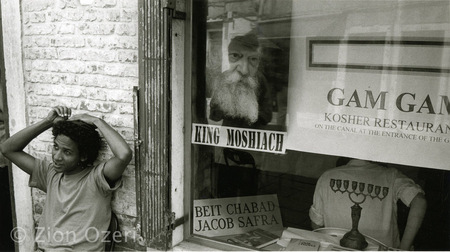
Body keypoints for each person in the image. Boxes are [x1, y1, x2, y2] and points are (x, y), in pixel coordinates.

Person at [0, 106, 132, 251]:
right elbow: (8, 149)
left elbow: (123, 155)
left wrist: (97, 121)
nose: (57, 157)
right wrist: (48, 122)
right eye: (56, 147)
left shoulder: (96, 179)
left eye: (67, 152)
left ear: (83, 156)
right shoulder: (50, 174)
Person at [309, 158, 427, 250]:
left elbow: (316, 225)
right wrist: (403, 249)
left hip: (336, 248)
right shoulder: (391, 176)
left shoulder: (327, 176)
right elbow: (420, 201)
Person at [209, 32, 273, 128]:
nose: (244, 70)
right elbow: (214, 115)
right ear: (228, 58)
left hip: (253, 137)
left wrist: (250, 110)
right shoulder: (224, 79)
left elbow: (267, 116)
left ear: (258, 61)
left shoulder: (260, 80)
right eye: (235, 56)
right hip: (227, 137)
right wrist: (227, 103)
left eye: (253, 59)